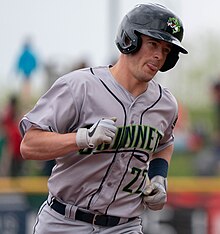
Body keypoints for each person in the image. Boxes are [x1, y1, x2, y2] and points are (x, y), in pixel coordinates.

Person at [19, 3, 188, 234]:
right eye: (153, 44)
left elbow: (164, 144)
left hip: (124, 226)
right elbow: (29, 145)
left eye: (167, 50)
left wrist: (158, 177)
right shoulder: (80, 87)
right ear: (130, 39)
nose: (159, 55)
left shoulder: (165, 104)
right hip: (64, 221)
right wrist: (82, 137)